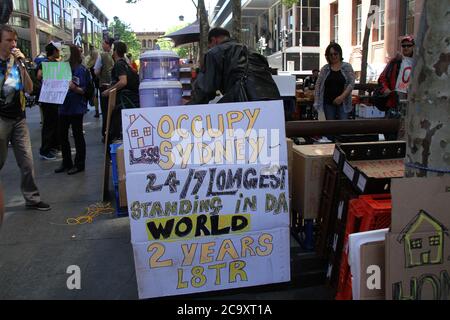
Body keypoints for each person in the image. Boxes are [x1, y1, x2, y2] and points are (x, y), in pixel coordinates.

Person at [0, 24, 50, 211]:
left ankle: (32, 198)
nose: (13, 44)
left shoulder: (17, 62)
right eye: (8, 40)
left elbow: (29, 89)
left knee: (27, 161)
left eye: (14, 40)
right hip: (1, 118)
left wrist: (22, 65)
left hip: (19, 118)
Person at [190, 27, 280, 104]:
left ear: (214, 40)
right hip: (273, 99)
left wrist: (189, 107)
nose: (210, 48)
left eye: (210, 46)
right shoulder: (251, 50)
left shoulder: (214, 53)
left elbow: (206, 89)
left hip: (246, 100)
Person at [54, 44, 88, 175]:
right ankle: (66, 161)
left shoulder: (80, 70)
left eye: (64, 51)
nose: (62, 54)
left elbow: (83, 90)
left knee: (77, 135)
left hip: (75, 108)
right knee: (62, 135)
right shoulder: (62, 68)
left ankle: (79, 164)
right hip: (63, 107)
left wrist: (74, 88)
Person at [102, 41, 140, 142]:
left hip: (123, 103)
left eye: (112, 49)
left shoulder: (119, 64)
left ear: (115, 51)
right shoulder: (125, 64)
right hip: (130, 102)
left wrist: (108, 91)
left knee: (116, 132)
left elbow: (123, 82)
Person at [314, 42, 355, 120]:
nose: (333, 56)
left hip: (343, 103)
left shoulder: (347, 67)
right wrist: (316, 103)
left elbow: (351, 83)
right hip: (328, 103)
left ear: (340, 54)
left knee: (343, 126)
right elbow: (318, 85)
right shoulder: (325, 69)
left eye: (335, 54)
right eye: (331, 54)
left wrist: (341, 97)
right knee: (330, 127)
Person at [378, 35, 415, 119]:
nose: (406, 47)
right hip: (394, 101)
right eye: (403, 45)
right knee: (392, 128)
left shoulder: (419, 62)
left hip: (412, 102)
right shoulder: (395, 61)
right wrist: (385, 89)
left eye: (408, 45)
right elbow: (382, 78)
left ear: (413, 47)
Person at [36, 41, 62, 160]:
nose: (59, 53)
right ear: (54, 51)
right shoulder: (45, 63)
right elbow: (39, 76)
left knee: (55, 122)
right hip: (47, 98)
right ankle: (45, 149)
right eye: (58, 50)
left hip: (55, 98)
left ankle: (54, 146)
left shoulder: (55, 62)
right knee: (48, 123)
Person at [94, 37, 114, 142]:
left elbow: (96, 71)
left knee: (106, 111)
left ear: (108, 45)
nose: (102, 45)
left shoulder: (101, 56)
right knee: (114, 110)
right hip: (116, 86)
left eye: (103, 43)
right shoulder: (119, 55)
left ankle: (106, 134)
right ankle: (114, 132)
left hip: (105, 87)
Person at [86, 49, 100, 117]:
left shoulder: (89, 63)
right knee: (98, 95)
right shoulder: (98, 62)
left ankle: (96, 111)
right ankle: (98, 111)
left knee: (96, 96)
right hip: (99, 81)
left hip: (93, 81)